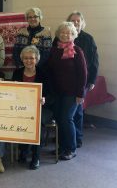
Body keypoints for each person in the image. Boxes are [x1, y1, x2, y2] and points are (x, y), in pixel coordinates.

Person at [47, 21, 87, 160]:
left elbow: (83, 74)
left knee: (66, 119)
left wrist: (80, 94)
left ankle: (71, 149)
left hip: (72, 93)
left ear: (73, 35)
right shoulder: (54, 50)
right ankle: (62, 147)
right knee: (59, 119)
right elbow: (50, 70)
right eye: (62, 32)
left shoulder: (77, 51)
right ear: (58, 34)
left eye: (68, 33)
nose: (65, 35)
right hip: (57, 92)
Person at [12, 45, 51, 170]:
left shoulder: (44, 74)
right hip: (22, 107)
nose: (29, 61)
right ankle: (23, 150)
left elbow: (51, 94)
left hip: (41, 108)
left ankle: (35, 157)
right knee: (21, 120)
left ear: (37, 59)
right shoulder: (17, 73)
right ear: (22, 59)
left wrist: (44, 99)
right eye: (26, 58)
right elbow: (12, 93)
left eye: (32, 58)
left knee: (35, 124)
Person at [67, 11, 99, 147]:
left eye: (78, 21)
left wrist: (92, 80)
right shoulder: (64, 37)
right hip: (66, 80)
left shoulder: (88, 39)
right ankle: (68, 135)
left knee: (77, 112)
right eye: (72, 20)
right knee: (67, 111)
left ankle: (77, 138)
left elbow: (94, 61)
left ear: (82, 23)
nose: (75, 23)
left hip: (82, 80)